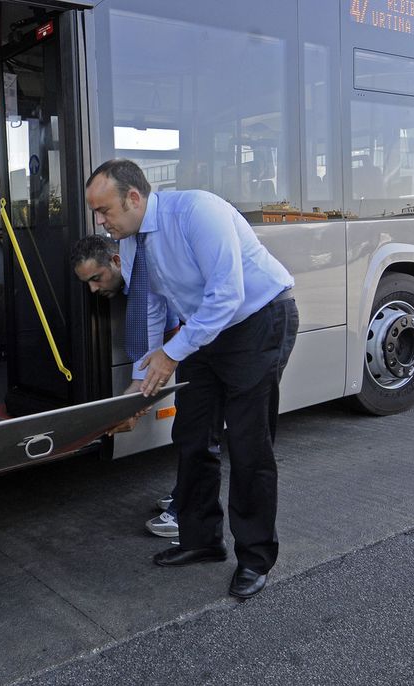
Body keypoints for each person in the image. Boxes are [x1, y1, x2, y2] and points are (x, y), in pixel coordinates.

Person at [85, 159, 298, 600]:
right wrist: (137, 390)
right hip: (203, 330)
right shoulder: (127, 242)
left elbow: (228, 294)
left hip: (257, 320)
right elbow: (151, 311)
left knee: (247, 443)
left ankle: (255, 558)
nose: (101, 222)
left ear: (134, 197)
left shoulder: (199, 212)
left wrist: (171, 354)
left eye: (104, 211)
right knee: (192, 436)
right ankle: (201, 541)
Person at [70, 234, 180, 537]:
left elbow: (167, 342)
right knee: (189, 429)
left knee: (195, 429)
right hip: (191, 347)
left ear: (117, 261)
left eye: (96, 278)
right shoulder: (135, 280)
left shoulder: (145, 278)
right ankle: (187, 490)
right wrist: (133, 403)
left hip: (212, 344)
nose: (93, 289)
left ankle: (188, 508)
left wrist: (135, 404)